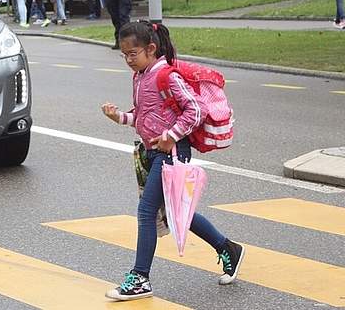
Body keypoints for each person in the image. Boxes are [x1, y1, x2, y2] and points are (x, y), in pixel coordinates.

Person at [100, 20, 245, 301]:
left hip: (172, 151)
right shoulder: (140, 76)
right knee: (176, 213)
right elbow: (143, 117)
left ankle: (140, 277)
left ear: (151, 49)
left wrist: (171, 136)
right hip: (152, 151)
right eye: (124, 55)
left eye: (133, 53)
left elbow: (196, 110)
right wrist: (118, 117)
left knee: (146, 212)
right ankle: (228, 248)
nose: (129, 60)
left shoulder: (166, 76)